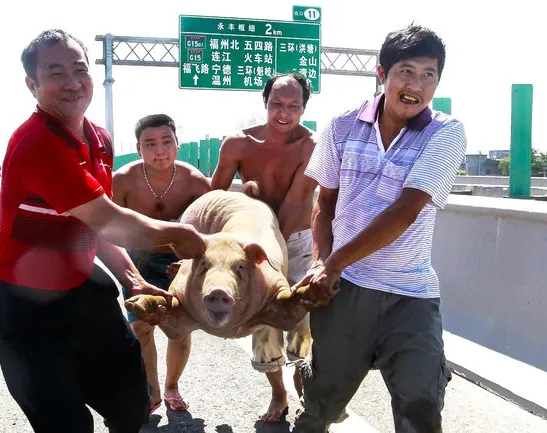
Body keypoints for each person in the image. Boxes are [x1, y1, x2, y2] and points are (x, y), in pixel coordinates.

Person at [0, 29, 205, 433]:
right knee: (65, 423)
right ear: (32, 85)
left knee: (132, 405)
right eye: (55, 72)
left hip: (82, 286)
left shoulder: (99, 139)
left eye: (80, 69)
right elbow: (110, 220)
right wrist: (184, 236)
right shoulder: (37, 143)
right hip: (25, 306)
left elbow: (94, 227)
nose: (72, 82)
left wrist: (132, 279)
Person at [292, 24, 467, 433]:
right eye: (406, 71)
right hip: (347, 288)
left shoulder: (446, 132)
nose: (417, 85)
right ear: (381, 73)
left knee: (421, 403)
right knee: (322, 404)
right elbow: (326, 204)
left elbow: (406, 211)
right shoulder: (341, 126)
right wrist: (322, 265)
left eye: (429, 75)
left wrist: (331, 264)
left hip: (412, 294)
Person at [211, 72, 318, 422]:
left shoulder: (311, 145)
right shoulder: (237, 144)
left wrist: (274, 254)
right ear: (265, 103)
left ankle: (308, 396)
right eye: (277, 104)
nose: (284, 113)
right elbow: (214, 198)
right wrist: (245, 198)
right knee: (263, 321)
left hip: (297, 241)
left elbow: (295, 201)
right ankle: (279, 393)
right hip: (254, 243)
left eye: (293, 106)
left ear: (304, 107)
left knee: (301, 321)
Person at [112, 113, 211, 413]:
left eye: (167, 141)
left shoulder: (194, 181)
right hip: (138, 261)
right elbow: (110, 228)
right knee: (141, 326)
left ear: (177, 144)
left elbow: (210, 226)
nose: (160, 150)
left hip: (179, 264)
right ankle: (151, 390)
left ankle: (172, 387)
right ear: (138, 148)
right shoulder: (123, 180)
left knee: (179, 329)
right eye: (150, 143)